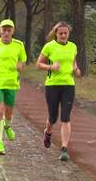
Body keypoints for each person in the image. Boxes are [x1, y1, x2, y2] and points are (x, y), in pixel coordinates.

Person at [36, 21, 81, 161]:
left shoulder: (73, 46)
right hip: (52, 86)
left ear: (68, 34)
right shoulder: (49, 46)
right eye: (60, 33)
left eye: (65, 33)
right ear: (56, 33)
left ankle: (64, 149)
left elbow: (73, 62)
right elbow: (38, 64)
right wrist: (51, 67)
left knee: (66, 117)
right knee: (53, 117)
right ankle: (48, 132)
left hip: (68, 85)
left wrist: (76, 70)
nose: (63, 35)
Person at [0, 19, 27, 155]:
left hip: (12, 83)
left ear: (13, 31)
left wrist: (20, 65)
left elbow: (23, 59)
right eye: (4, 30)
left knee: (9, 112)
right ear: (0, 30)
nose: (6, 32)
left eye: (9, 30)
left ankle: (7, 126)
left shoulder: (19, 45)